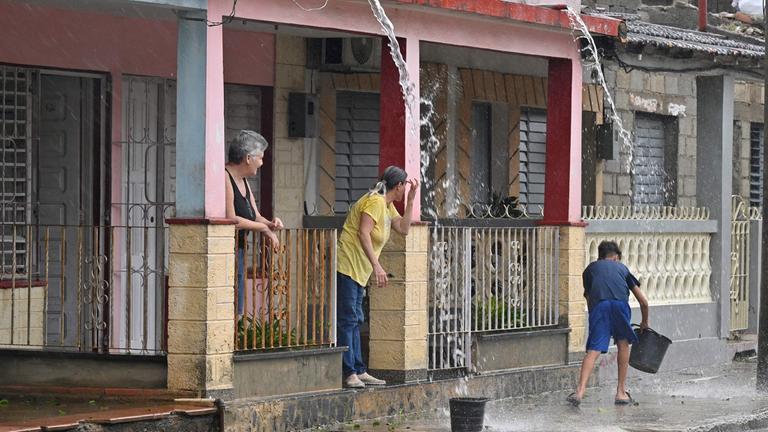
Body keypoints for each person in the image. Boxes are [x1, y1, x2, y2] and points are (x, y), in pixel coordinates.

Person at [336, 166, 419, 388]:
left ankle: (359, 370)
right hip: (349, 264)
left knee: (356, 318)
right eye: (405, 187)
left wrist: (410, 201)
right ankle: (349, 372)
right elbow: (363, 232)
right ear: (399, 185)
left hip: (360, 269)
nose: (404, 190)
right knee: (348, 319)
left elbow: (403, 228)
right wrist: (378, 266)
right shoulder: (375, 201)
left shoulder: (387, 204)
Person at [567, 240, 650, 407]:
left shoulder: (590, 270)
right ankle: (621, 392)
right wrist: (644, 322)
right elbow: (644, 302)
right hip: (620, 305)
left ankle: (580, 391)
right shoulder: (623, 269)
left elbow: (589, 299)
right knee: (623, 344)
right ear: (616, 257)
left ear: (600, 256)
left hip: (599, 307)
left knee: (594, 350)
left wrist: (597, 320)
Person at [224, 130, 284, 316]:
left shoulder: (244, 181)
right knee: (229, 303)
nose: (262, 162)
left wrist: (270, 223)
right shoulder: (225, 177)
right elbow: (232, 219)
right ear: (248, 158)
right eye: (260, 157)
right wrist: (265, 229)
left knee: (238, 307)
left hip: (240, 249)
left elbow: (254, 215)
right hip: (226, 250)